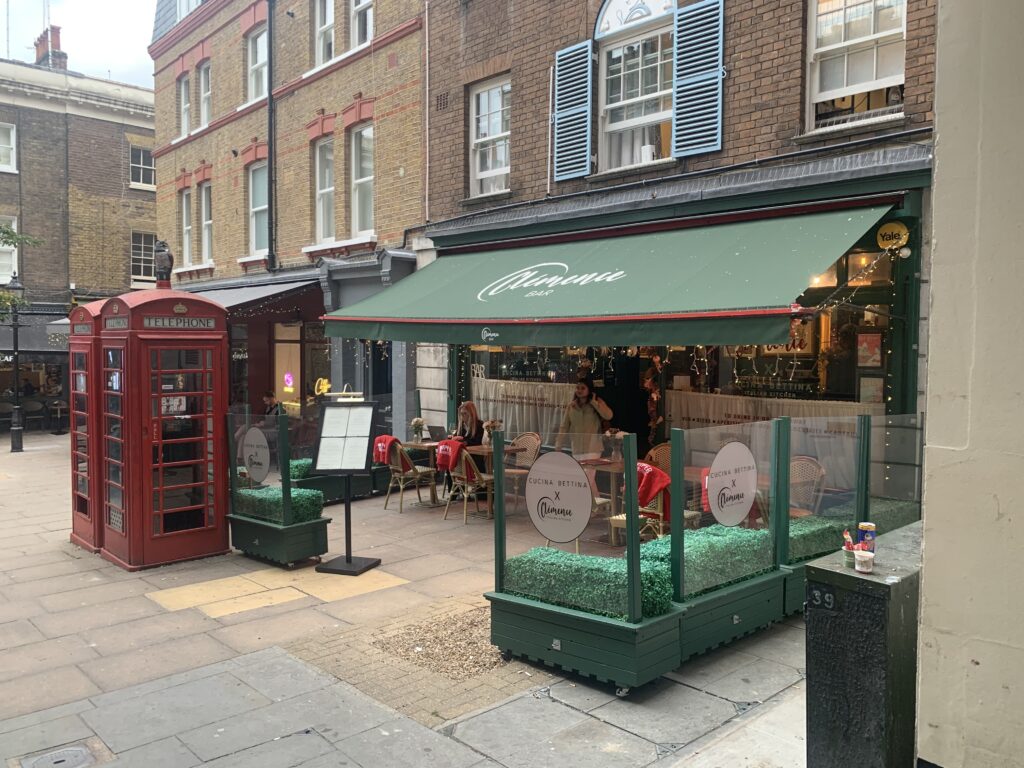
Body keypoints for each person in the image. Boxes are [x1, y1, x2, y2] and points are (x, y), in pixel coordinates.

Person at [555, 378, 613, 460]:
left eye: (583, 388)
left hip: (593, 449)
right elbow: (564, 427)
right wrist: (558, 444)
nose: (579, 390)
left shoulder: (596, 403)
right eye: (577, 388)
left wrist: (594, 403)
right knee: (577, 468)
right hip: (577, 449)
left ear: (589, 389)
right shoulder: (571, 406)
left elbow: (608, 416)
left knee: (589, 469)